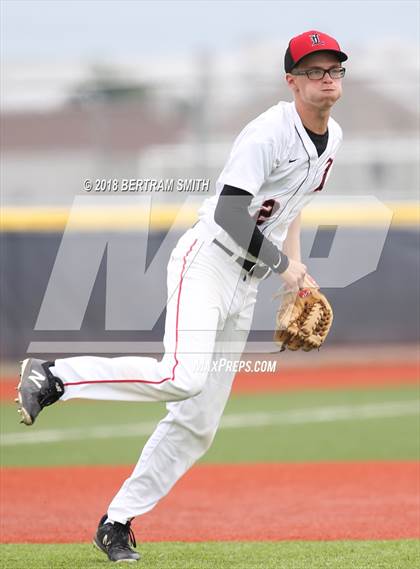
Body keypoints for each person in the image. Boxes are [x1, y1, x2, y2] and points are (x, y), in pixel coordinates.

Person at [16, 30, 347, 563]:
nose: (326, 77)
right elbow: (230, 213)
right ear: (292, 81)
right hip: (208, 261)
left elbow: (294, 204)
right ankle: (54, 376)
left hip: (247, 282)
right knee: (182, 376)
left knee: (198, 423)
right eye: (314, 70)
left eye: (333, 68)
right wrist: (285, 266)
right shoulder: (268, 133)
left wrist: (297, 270)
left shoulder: (334, 139)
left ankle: (116, 522)